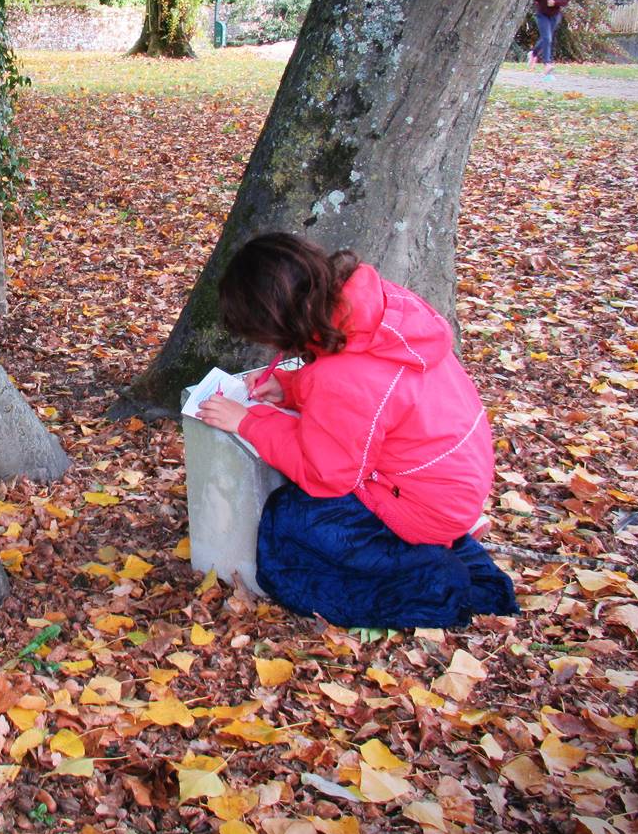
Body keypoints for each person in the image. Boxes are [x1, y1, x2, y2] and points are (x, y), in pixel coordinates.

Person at [196, 233, 517, 630]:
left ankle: (434, 582)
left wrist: (247, 421)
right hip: (453, 478)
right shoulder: (377, 306)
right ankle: (438, 545)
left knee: (290, 522)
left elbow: (325, 476)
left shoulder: (340, 377)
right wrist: (291, 389)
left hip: (422, 503)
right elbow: (373, 399)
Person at [531, 0, 569, 76]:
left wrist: (555, 3)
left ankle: (533, 53)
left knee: (546, 38)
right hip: (542, 15)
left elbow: (565, 1)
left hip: (554, 16)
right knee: (547, 38)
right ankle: (547, 63)